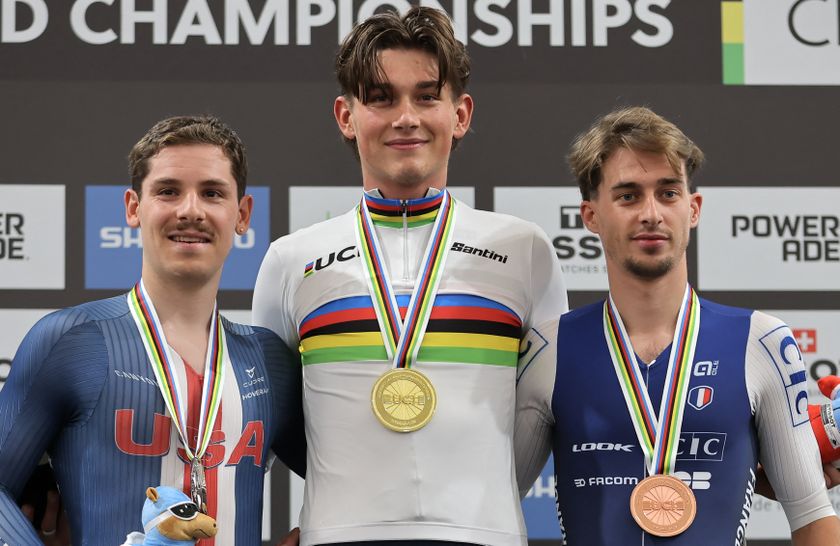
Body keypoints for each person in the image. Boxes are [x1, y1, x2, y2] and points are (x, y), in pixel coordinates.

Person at [252, 7, 568, 546]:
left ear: (460, 113)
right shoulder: (291, 259)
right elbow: (276, 422)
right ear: (346, 116)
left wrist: (474, 505)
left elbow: (539, 412)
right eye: (381, 97)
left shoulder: (525, 250)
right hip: (338, 536)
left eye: (426, 96)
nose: (406, 117)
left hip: (485, 535)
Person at [514, 106, 840, 545]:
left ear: (694, 208)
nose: (651, 213)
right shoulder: (549, 349)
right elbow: (487, 507)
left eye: (668, 193)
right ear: (590, 216)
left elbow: (814, 519)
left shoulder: (760, 341)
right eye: (628, 196)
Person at [0, 115, 305, 545]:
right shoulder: (72, 341)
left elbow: (354, 481)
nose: (190, 210)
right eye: (168, 191)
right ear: (133, 208)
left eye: (212, 193)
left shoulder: (269, 362)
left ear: (242, 214)